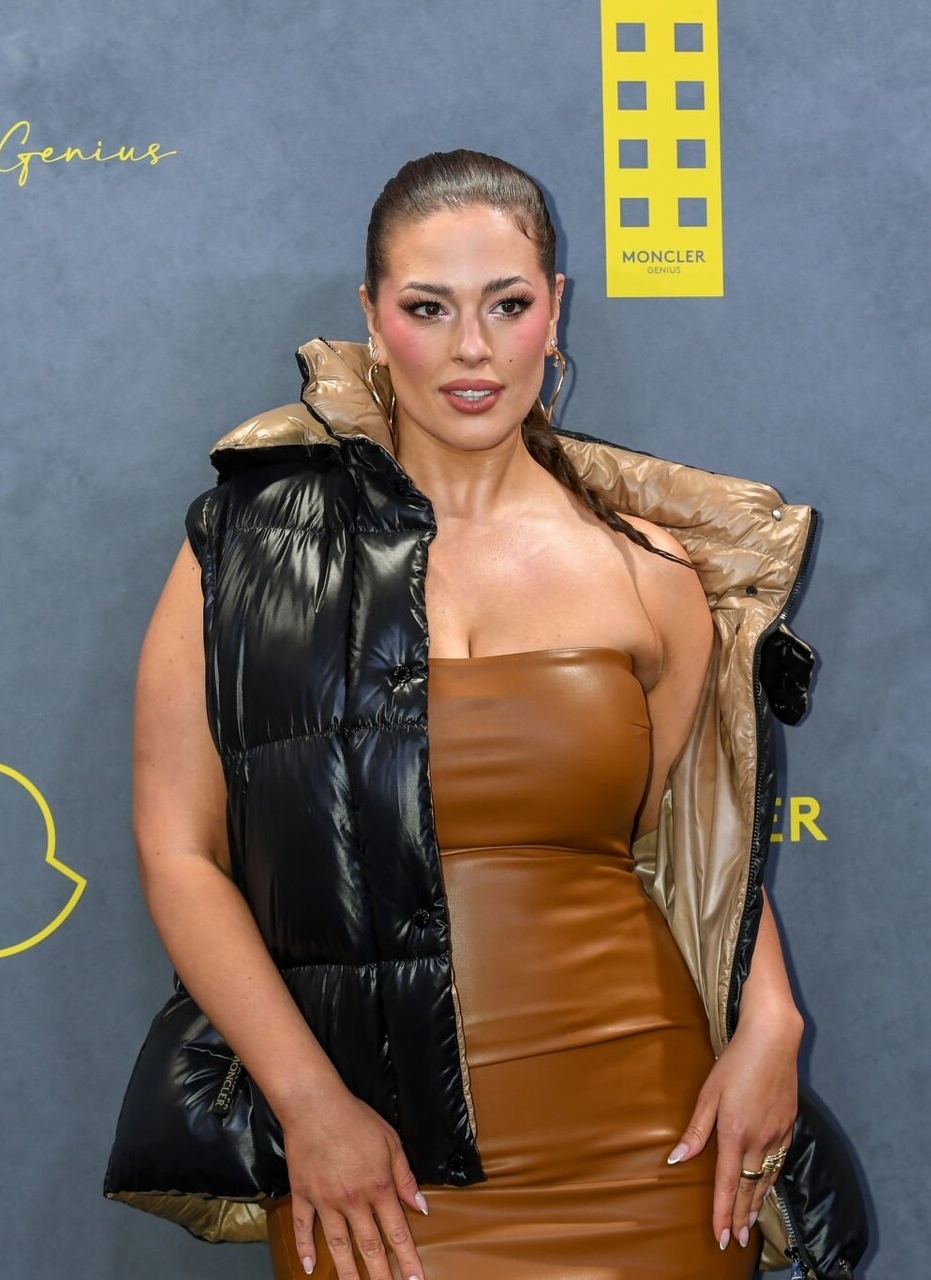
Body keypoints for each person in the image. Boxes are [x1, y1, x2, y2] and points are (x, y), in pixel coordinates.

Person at [128, 150, 867, 1279]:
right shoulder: (246, 548)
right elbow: (180, 853)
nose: (472, 348)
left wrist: (771, 1017)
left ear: (553, 309)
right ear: (373, 317)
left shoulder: (651, 570)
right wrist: (309, 1100)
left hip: (646, 1135)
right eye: (429, 307)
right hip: (372, 1155)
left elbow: (687, 841)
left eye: (507, 304)